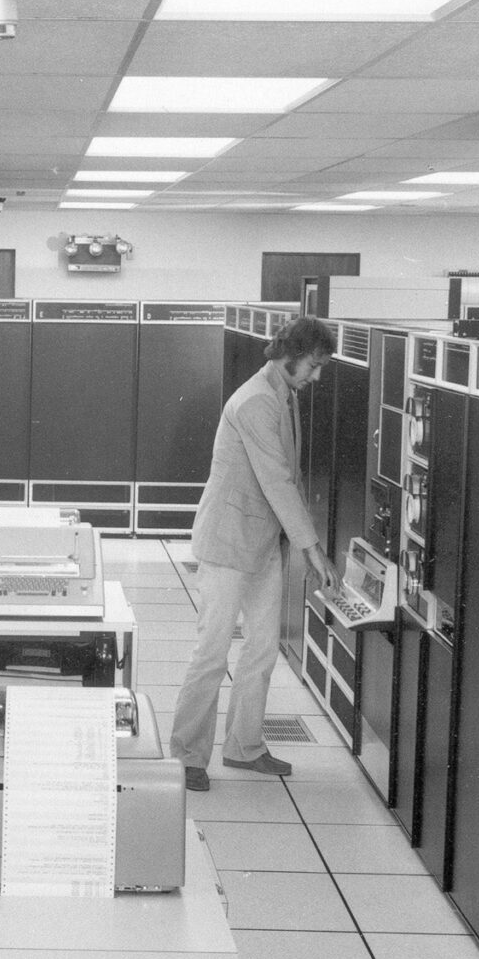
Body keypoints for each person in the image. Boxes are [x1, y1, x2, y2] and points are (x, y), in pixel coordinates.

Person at [169, 315, 338, 790]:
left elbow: (286, 479)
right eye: (314, 365)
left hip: (263, 541)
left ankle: (245, 747)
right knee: (212, 651)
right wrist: (311, 548)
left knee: (262, 649)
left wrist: (298, 542)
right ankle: (186, 757)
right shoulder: (256, 401)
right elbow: (277, 481)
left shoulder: (283, 393)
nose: (317, 376)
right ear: (291, 355)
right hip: (228, 541)